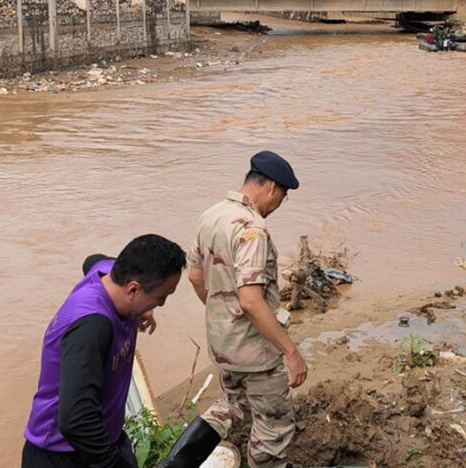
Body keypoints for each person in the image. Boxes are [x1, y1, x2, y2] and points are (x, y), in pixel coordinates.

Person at [160, 151, 305, 468]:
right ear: (271, 188)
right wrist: (291, 351)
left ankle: (175, 465)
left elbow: (196, 276)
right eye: (282, 197)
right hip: (256, 353)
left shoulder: (211, 215)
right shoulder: (253, 229)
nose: (278, 205)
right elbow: (251, 300)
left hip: (223, 344)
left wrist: (223, 318)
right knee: (274, 429)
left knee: (234, 407)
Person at [22, 235, 186, 468]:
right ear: (133, 289)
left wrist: (141, 310)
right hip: (62, 454)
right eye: (161, 298)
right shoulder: (91, 328)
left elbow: (93, 260)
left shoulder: (110, 272)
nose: (160, 305)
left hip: (107, 437)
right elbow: (75, 422)